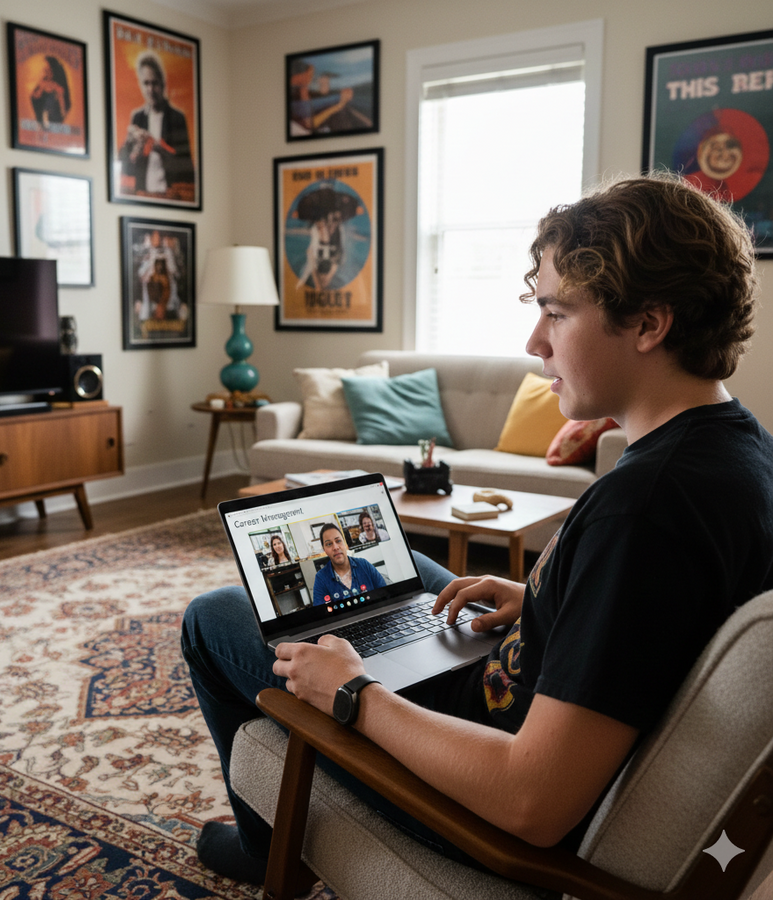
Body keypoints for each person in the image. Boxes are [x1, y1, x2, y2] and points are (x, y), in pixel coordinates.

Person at [181, 173, 773, 889]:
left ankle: (264, 848)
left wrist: (353, 693)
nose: (534, 341)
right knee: (420, 577)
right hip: (517, 694)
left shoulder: (644, 509)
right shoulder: (739, 450)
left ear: (650, 323)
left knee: (215, 616)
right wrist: (547, 601)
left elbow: (533, 801)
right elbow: (661, 622)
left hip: (479, 785)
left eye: (557, 313)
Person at [119, 51, 194, 197]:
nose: (150, 90)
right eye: (146, 83)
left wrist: (159, 148)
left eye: (154, 83)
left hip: (170, 194)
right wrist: (129, 145)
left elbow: (187, 169)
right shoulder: (137, 117)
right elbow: (125, 168)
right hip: (143, 194)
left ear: (163, 83)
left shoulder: (177, 118)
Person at [311, 522, 387, 606]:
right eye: (329, 544)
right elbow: (321, 613)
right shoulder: (321, 578)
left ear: (345, 543)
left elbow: (386, 594)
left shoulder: (364, 565)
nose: (335, 547)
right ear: (325, 550)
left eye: (338, 541)